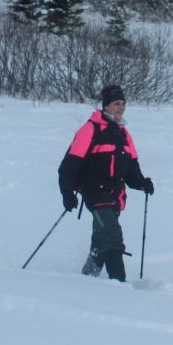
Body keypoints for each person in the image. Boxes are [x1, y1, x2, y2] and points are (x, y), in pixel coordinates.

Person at [57, 84, 154, 282]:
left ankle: (87, 279)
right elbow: (69, 165)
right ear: (106, 105)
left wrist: (142, 183)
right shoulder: (90, 129)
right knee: (112, 236)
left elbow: (131, 167)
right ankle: (119, 285)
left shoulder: (124, 133)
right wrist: (67, 193)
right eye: (116, 103)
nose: (121, 108)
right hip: (95, 193)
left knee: (101, 241)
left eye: (123, 104)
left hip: (115, 196)